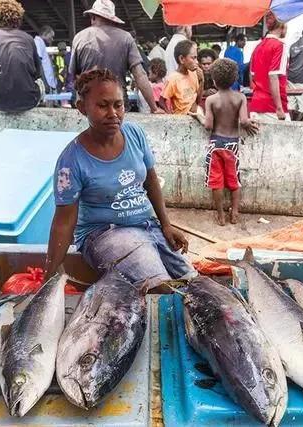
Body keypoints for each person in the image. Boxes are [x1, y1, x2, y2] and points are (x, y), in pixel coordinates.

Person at [44, 69, 196, 290]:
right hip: (105, 233)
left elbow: (151, 181)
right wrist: (48, 276)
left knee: (193, 283)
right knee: (162, 289)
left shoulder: (135, 134)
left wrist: (165, 225)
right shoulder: (71, 161)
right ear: (82, 108)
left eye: (118, 105)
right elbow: (64, 222)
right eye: (103, 106)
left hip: (147, 226)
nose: (113, 113)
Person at [192, 59, 258, 226]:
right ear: (235, 78)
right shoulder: (240, 97)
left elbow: (208, 125)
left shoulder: (211, 100)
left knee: (217, 182)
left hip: (215, 144)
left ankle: (220, 215)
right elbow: (244, 121)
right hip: (232, 145)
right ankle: (235, 212)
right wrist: (249, 123)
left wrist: (198, 116)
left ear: (214, 79)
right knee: (234, 180)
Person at [69, 0, 163, 113]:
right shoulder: (126, 38)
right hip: (117, 104)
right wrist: (154, 108)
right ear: (112, 19)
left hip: (90, 104)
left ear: (93, 17)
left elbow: (75, 76)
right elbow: (140, 76)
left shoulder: (80, 38)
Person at [0, 0, 45, 113]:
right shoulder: (28, 39)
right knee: (40, 83)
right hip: (29, 102)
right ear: (18, 19)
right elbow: (37, 74)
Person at [249, 12, 289, 121]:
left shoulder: (258, 47)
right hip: (272, 108)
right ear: (282, 25)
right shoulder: (280, 46)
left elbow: (252, 77)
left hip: (256, 105)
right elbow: (273, 76)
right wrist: (279, 108)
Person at [160, 40, 200, 115]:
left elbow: (198, 99)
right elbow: (161, 101)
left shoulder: (193, 74)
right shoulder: (173, 78)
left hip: (194, 116)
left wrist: (202, 80)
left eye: (196, 58)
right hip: (182, 119)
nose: (197, 62)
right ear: (182, 59)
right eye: (193, 58)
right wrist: (170, 115)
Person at [34, 26, 57, 92]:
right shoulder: (38, 42)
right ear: (45, 34)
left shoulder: (41, 44)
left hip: (49, 83)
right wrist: (44, 84)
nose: (52, 39)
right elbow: (39, 63)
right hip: (47, 83)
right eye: (51, 36)